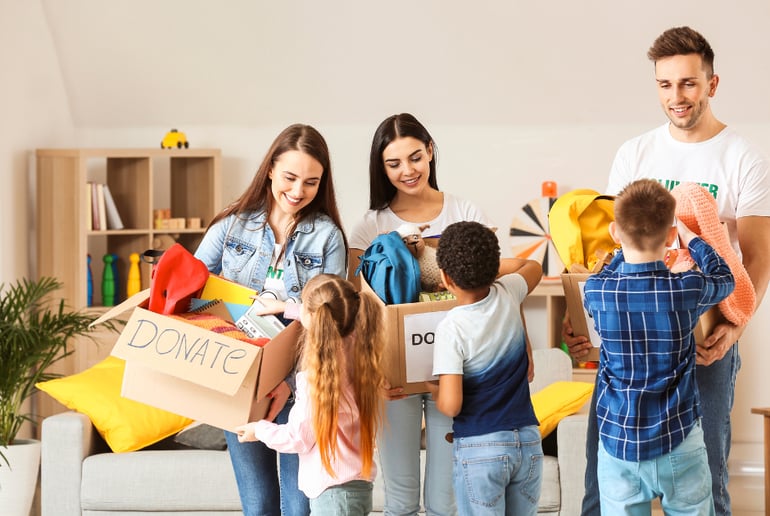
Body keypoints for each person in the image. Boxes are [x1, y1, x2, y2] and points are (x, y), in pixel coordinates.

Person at [563, 26, 770, 515]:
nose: (676, 96)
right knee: (601, 472)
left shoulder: (742, 158)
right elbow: (612, 251)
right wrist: (585, 322)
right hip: (631, 347)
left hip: (705, 340)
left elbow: (758, 257)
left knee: (708, 473)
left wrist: (736, 327)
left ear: (712, 84)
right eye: (665, 84)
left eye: (688, 83)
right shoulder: (634, 153)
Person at [194, 123, 348, 516]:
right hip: (240, 382)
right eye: (290, 178)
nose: (298, 191)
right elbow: (191, 289)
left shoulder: (327, 236)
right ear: (270, 170)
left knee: (299, 507)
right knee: (259, 504)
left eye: (311, 182)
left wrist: (285, 381)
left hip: (300, 389)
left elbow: (331, 319)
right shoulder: (232, 224)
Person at [348, 113, 494, 516]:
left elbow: (492, 290)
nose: (407, 171)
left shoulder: (464, 210)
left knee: (446, 500)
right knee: (399, 499)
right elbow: (359, 307)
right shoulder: (371, 225)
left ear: (430, 150)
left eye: (415, 157)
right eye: (394, 163)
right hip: (393, 373)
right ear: (381, 168)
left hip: (456, 370)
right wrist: (370, 371)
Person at [584, 179, 734, 515]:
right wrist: (691, 239)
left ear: (614, 232)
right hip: (679, 439)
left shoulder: (597, 290)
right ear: (670, 236)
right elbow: (725, 277)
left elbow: (609, 272)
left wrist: (623, 250)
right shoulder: (686, 288)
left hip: (619, 443)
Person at [234, 274, 386, 516]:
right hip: (354, 486)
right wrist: (287, 308)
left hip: (332, 497)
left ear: (313, 317)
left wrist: (258, 430)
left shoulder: (317, 379)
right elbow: (327, 313)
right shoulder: (358, 348)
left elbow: (297, 437)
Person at [426, 221, 543, 516]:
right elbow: (532, 266)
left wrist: (432, 388)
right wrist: (490, 268)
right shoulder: (510, 291)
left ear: (445, 276)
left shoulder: (451, 328)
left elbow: (451, 405)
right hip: (528, 441)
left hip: (481, 447)